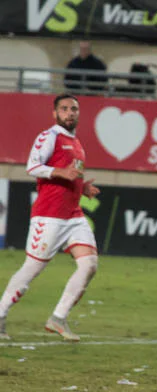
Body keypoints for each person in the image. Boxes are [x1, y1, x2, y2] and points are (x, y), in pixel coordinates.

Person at [0, 94, 100, 342]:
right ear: (55, 114)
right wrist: (60, 172)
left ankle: (58, 318)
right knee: (32, 269)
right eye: (64, 109)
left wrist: (81, 187)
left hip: (73, 215)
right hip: (49, 216)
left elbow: (69, 175)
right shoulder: (50, 136)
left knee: (89, 265)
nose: (70, 113)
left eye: (74, 109)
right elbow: (32, 166)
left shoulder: (77, 143)